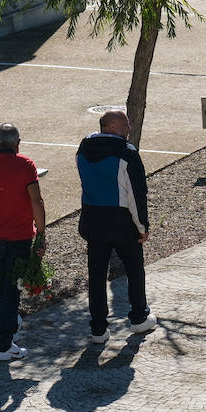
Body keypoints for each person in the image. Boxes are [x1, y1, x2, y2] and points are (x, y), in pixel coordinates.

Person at [76, 109, 157, 343]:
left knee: (97, 275)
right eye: (125, 124)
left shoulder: (83, 149)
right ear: (111, 127)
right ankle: (139, 317)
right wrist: (142, 226)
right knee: (134, 269)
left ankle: (98, 329)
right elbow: (136, 194)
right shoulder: (127, 153)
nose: (129, 128)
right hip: (122, 221)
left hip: (93, 219)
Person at [0, 123, 47, 362]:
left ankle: (10, 322)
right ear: (18, 142)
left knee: (3, 283)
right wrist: (41, 232)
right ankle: (5, 344)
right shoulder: (25, 165)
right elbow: (36, 200)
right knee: (11, 288)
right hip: (19, 235)